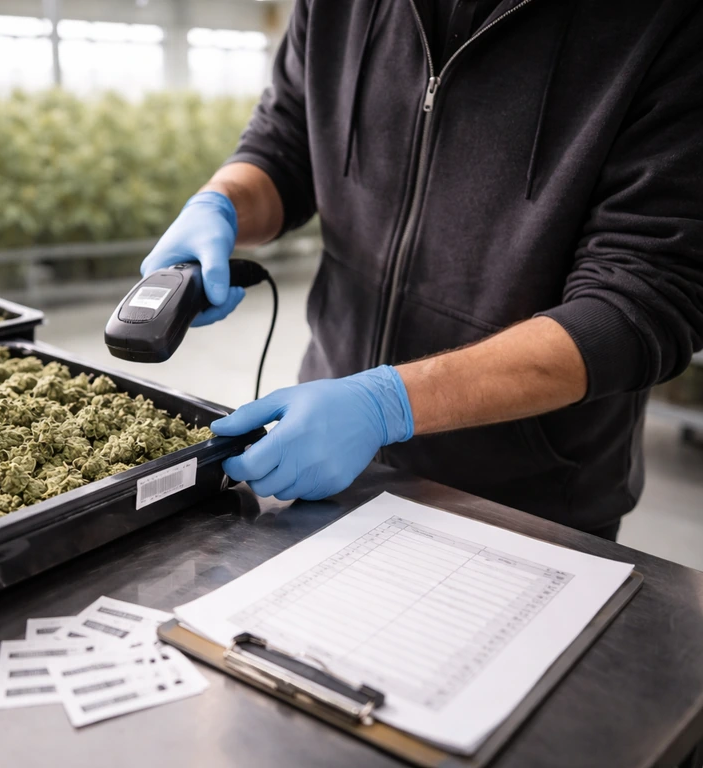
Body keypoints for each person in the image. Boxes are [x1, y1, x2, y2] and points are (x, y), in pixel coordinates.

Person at [140, 0, 703, 540]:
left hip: (524, 505)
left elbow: (640, 300)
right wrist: (221, 204)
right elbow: (287, 141)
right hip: (325, 465)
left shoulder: (666, 22)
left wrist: (389, 404)